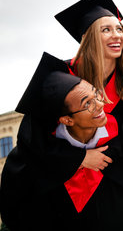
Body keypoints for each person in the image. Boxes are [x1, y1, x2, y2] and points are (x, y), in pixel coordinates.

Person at [8, 0, 123, 230]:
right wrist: (79, 158)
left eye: (119, 29)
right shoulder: (61, 77)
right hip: (64, 182)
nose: (117, 35)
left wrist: (97, 161)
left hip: (117, 179)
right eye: (106, 29)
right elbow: (32, 136)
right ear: (88, 37)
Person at [0, 52, 115, 230]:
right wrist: (78, 158)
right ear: (66, 120)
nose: (100, 104)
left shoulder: (117, 133)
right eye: (87, 104)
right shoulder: (28, 161)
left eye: (96, 94)